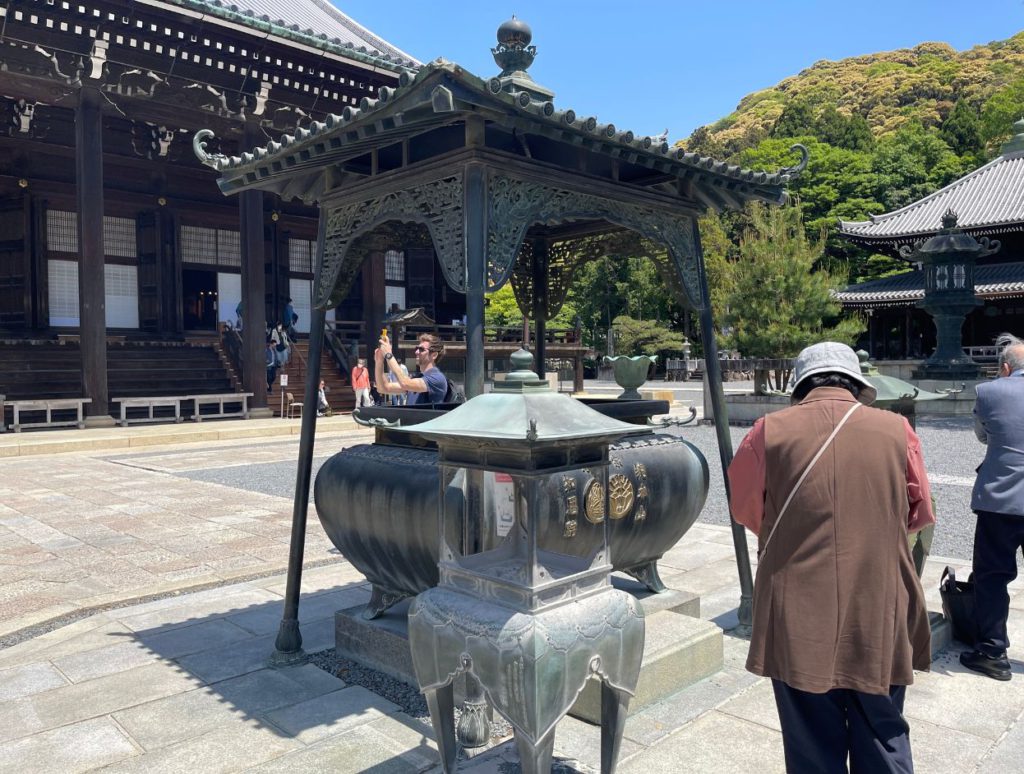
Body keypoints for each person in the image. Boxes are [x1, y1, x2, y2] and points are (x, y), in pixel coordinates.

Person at [728, 341, 934, 774]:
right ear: (856, 383)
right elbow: (920, 514)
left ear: (802, 385)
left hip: (797, 606)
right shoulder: (897, 430)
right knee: (883, 730)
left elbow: (745, 508)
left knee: (810, 742)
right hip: (877, 600)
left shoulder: (768, 430)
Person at [959, 333, 1024, 681]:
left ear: (1004, 368)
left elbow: (983, 435)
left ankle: (992, 652)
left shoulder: (989, 392)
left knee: (992, 576)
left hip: (1002, 497)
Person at [375, 333, 446, 405]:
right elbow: (383, 388)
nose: (416, 352)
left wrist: (388, 354)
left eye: (421, 349)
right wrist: (379, 361)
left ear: (434, 355)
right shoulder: (417, 377)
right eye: (417, 348)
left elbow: (405, 383)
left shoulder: (437, 378)